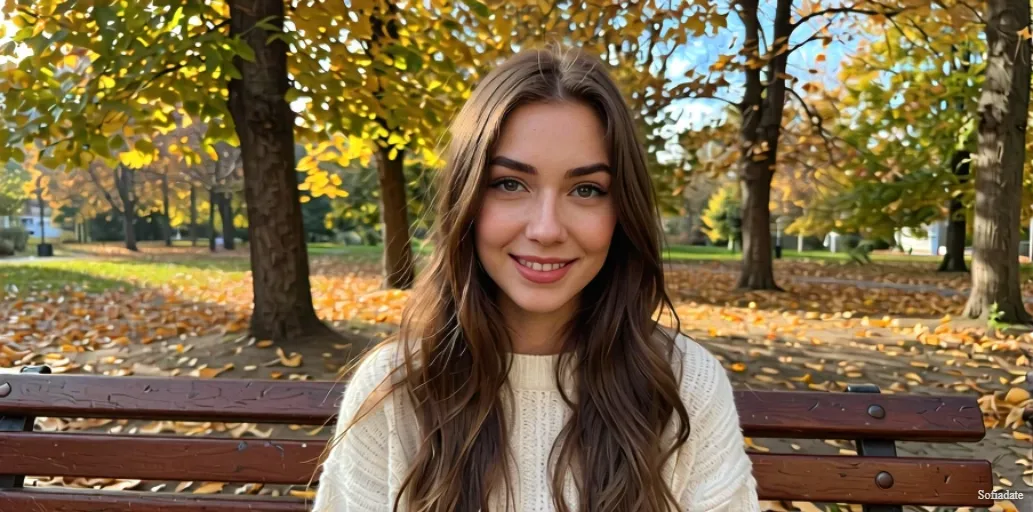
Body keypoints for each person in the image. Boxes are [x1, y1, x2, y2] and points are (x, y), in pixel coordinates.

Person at [312, 45, 760, 512]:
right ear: (466, 199)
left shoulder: (685, 383)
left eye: (586, 189)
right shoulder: (396, 388)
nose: (546, 229)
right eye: (509, 184)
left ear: (622, 212)